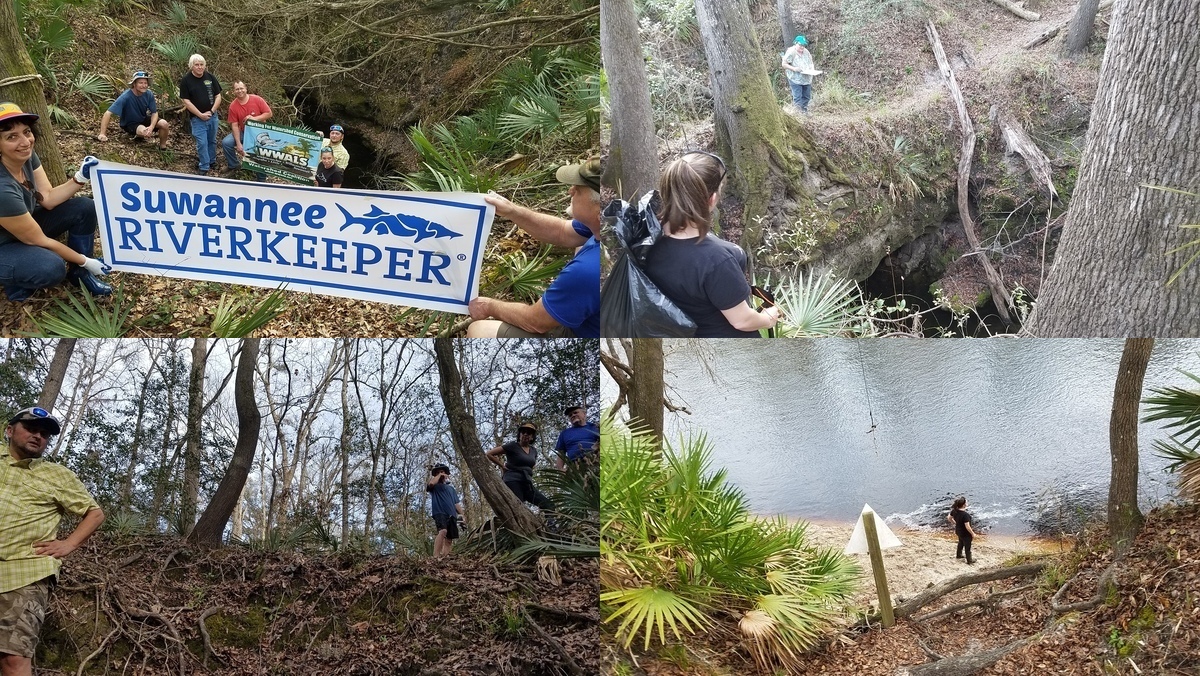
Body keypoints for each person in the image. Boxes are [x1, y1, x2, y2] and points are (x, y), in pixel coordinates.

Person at [0, 407, 104, 676]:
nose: (38, 436)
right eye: (31, 429)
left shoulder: (57, 475)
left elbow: (95, 513)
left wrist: (69, 544)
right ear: (10, 430)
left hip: (23, 573)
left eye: (44, 434)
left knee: (13, 658)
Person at [641, 152, 780, 337]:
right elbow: (742, 320)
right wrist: (769, 316)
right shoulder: (716, 261)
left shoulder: (648, 237)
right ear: (712, 199)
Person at [467, 158, 601, 338]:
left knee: (480, 330)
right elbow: (562, 231)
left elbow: (536, 322)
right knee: (579, 241)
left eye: (578, 189)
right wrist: (511, 211)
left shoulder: (590, 269)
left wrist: (489, 306)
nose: (571, 190)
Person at [0, 103, 112, 301]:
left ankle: (79, 274)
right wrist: (86, 260)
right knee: (50, 268)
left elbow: (48, 199)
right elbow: (36, 240)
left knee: (84, 207)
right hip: (4, 244)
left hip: (24, 226)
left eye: (26, 132)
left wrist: (80, 177)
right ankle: (15, 281)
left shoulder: (25, 155)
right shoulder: (2, 188)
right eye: (11, 137)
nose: (25, 142)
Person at [486, 422, 554, 512]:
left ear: (532, 437)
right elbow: (489, 454)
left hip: (526, 482)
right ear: (519, 435)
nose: (525, 434)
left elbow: (532, 465)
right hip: (512, 480)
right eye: (523, 432)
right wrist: (502, 466)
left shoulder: (534, 451)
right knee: (519, 508)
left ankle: (551, 525)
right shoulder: (512, 446)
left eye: (529, 433)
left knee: (548, 504)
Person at [97, 70, 169, 149]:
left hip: (142, 118)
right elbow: (108, 113)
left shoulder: (149, 94)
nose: (143, 85)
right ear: (134, 84)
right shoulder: (126, 96)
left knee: (164, 124)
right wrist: (102, 133)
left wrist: (151, 127)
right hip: (130, 123)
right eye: (140, 83)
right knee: (143, 131)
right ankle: (138, 135)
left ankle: (163, 147)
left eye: (145, 83)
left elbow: (154, 113)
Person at [178, 54, 222, 174]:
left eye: (201, 64)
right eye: (196, 65)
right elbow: (186, 101)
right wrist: (200, 114)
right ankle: (204, 166)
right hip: (197, 119)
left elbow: (218, 95)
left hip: (213, 116)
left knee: (212, 141)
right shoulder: (186, 81)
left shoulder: (210, 77)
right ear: (191, 66)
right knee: (202, 143)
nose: (199, 67)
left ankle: (212, 161)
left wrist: (212, 111)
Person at [221, 80, 272, 180]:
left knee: (259, 153)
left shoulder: (257, 99)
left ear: (246, 89)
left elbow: (269, 113)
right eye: (237, 89)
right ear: (234, 91)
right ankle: (234, 165)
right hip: (244, 132)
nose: (240, 91)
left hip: (260, 133)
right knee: (226, 142)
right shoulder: (233, 106)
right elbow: (235, 126)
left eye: (241, 88)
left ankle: (261, 178)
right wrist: (238, 143)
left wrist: (254, 119)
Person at [426, 463, 464, 558]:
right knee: (443, 531)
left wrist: (462, 516)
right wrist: (439, 475)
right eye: (438, 472)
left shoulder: (451, 489)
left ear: (446, 473)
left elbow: (456, 504)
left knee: (449, 538)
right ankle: (436, 556)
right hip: (439, 512)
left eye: (442, 471)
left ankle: (444, 557)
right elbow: (431, 483)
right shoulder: (434, 486)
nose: (441, 473)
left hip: (452, 515)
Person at [554, 405, 598, 471]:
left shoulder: (595, 427)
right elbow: (561, 453)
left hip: (594, 463)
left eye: (575, 412)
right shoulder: (565, 433)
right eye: (570, 415)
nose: (573, 415)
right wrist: (560, 469)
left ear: (584, 414)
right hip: (575, 467)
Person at [782, 35, 816, 112]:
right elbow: (784, 64)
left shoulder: (806, 52)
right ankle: (798, 113)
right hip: (795, 79)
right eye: (800, 45)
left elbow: (811, 62)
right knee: (798, 97)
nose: (802, 47)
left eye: (803, 45)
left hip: (806, 78)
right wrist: (794, 68)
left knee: (806, 96)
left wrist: (812, 69)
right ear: (796, 43)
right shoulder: (791, 52)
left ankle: (804, 111)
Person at [947, 496, 977, 564]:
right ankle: (969, 560)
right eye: (966, 502)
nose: (967, 503)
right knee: (967, 547)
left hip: (958, 531)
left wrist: (955, 523)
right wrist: (972, 533)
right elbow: (967, 526)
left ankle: (959, 555)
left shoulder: (954, 511)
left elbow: (949, 518)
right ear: (964, 505)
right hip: (965, 533)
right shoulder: (965, 515)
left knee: (960, 542)